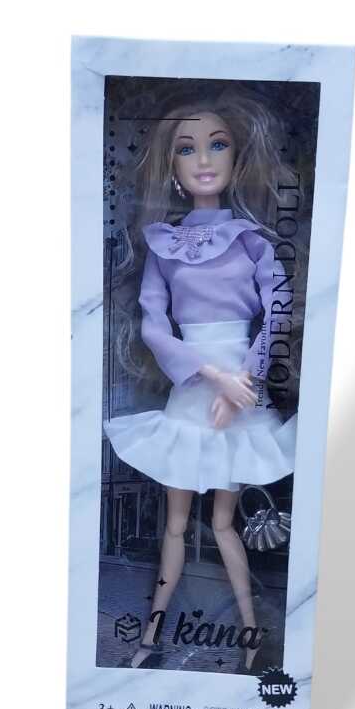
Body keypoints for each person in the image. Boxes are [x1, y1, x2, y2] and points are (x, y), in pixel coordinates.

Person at [104, 90, 301, 672]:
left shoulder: (253, 241)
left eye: (218, 145)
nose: (204, 159)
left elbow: (279, 312)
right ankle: (150, 636)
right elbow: (153, 324)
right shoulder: (163, 246)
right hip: (194, 392)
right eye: (187, 149)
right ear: (172, 164)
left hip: (239, 395)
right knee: (175, 523)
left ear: (238, 157)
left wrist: (245, 385)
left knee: (223, 523)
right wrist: (214, 376)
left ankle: (249, 633)